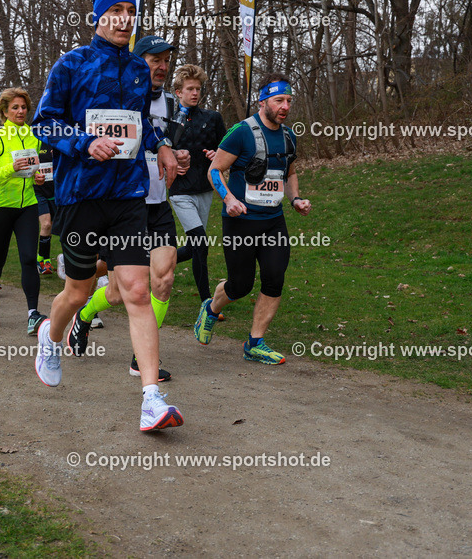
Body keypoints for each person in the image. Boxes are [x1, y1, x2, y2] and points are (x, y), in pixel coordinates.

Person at [31, 0, 182, 432]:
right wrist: (84, 142)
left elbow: (140, 124)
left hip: (128, 196)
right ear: (98, 17)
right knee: (78, 292)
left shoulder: (139, 70)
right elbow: (44, 123)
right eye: (114, 10)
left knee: (137, 291)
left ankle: (152, 399)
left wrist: (163, 147)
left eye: (130, 11)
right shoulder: (72, 64)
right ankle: (50, 335)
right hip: (80, 195)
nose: (124, 18)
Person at [68, 35, 191, 382]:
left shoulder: (171, 103)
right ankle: (85, 312)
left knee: (163, 279)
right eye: (155, 60)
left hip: (157, 202)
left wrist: (178, 156)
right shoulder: (110, 94)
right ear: (137, 62)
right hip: (122, 203)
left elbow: (172, 146)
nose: (163, 67)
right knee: (126, 290)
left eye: (167, 60)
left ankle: (141, 358)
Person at [194, 75, 312, 364]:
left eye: (288, 101)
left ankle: (254, 343)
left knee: (274, 280)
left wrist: (295, 198)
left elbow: (290, 172)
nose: (285, 106)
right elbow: (214, 170)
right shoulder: (241, 132)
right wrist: (229, 199)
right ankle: (210, 310)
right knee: (240, 285)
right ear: (263, 102)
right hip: (241, 222)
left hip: (273, 221)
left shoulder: (288, 136)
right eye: (278, 101)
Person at [0, 88, 47, 335]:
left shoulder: (34, 137)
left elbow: (34, 170)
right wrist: (10, 167)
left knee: (30, 258)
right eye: (15, 107)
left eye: (23, 107)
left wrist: (37, 177)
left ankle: (33, 314)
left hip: (27, 205)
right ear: (4, 112)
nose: (20, 111)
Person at [168, 64, 226, 305]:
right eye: (190, 89)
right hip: (179, 191)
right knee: (201, 242)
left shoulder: (212, 118)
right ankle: (207, 303)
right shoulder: (168, 120)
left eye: (198, 89)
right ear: (178, 92)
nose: (195, 93)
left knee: (194, 247)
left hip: (204, 190)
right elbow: (156, 150)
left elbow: (227, 150)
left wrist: (218, 156)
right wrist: (171, 160)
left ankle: (152, 261)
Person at [34, 141, 56, 274]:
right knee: (46, 224)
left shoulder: (55, 142)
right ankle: (44, 261)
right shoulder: (33, 141)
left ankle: (42, 257)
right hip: (37, 191)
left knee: (51, 227)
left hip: (54, 191)